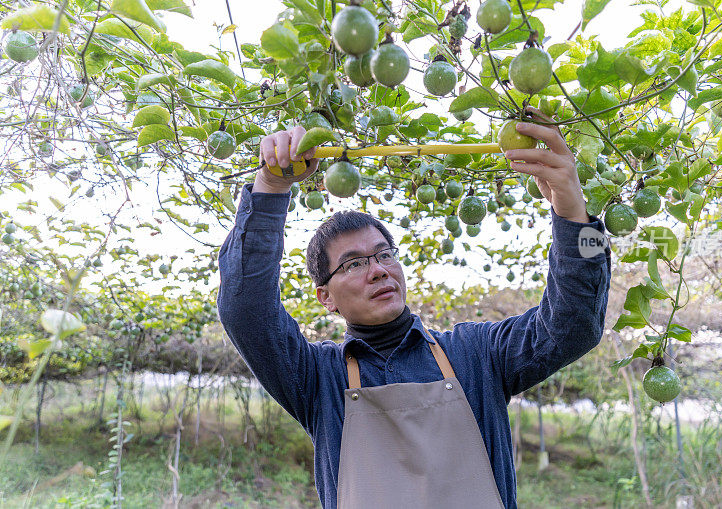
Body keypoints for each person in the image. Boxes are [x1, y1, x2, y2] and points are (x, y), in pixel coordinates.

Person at [217, 116, 612, 509]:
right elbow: (245, 309)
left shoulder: (477, 354)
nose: (378, 270)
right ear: (325, 297)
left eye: (384, 255)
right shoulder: (317, 378)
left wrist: (577, 215)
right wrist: (269, 190)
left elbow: (575, 325)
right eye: (354, 264)